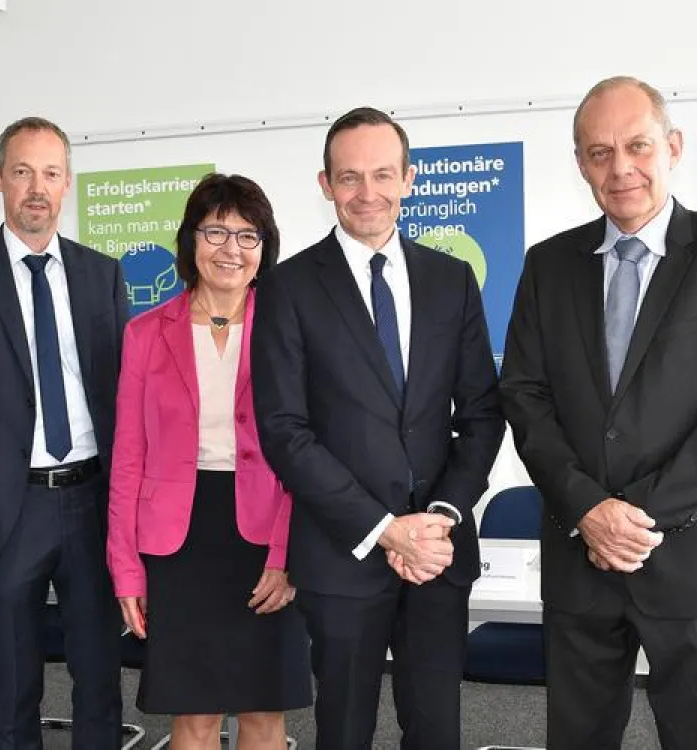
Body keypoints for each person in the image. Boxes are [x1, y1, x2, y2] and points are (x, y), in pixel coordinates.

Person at [499, 76, 697, 749]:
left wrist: (634, 515)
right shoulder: (547, 265)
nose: (620, 168)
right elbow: (525, 396)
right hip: (581, 559)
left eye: (637, 146)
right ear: (580, 164)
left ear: (673, 146)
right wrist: (587, 511)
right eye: (599, 153)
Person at [251, 107, 504, 750]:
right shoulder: (287, 288)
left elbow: (481, 412)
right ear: (325, 183)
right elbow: (285, 430)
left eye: (383, 174)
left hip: (438, 556)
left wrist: (440, 516)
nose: (368, 193)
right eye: (350, 177)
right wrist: (385, 529)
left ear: (410, 178)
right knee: (343, 729)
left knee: (436, 728)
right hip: (344, 556)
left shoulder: (453, 281)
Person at [0, 116, 129, 749]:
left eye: (51, 173)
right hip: (8, 509)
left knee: (100, 676)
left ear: (67, 184)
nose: (37, 188)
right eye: (22, 172)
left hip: (92, 501)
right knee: (12, 683)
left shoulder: (103, 275)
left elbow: (127, 403)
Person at [108, 173, 313, 749]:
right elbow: (128, 458)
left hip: (266, 530)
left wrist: (288, 555)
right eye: (217, 231)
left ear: (265, 248)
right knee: (192, 715)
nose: (232, 249)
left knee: (263, 711)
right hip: (179, 539)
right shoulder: (146, 333)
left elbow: (308, 450)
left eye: (248, 236)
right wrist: (126, 567)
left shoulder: (290, 326)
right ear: (190, 240)